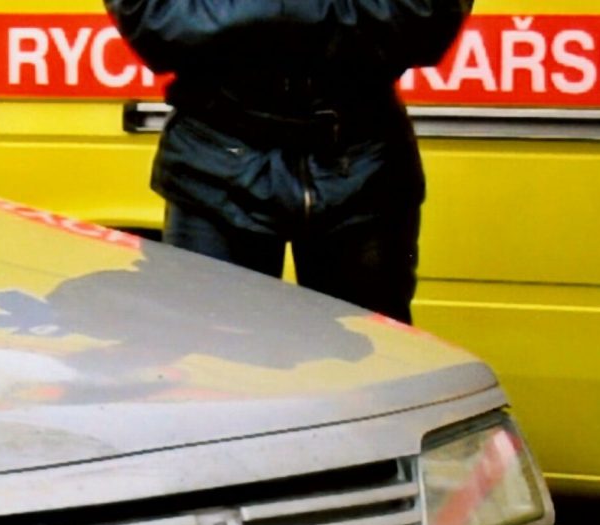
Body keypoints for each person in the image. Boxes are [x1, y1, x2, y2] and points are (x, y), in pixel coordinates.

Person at [107, 0, 471, 324]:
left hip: (361, 167)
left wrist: (253, 16)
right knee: (212, 361)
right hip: (215, 164)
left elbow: (426, 19)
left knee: (373, 368)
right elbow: (154, 21)